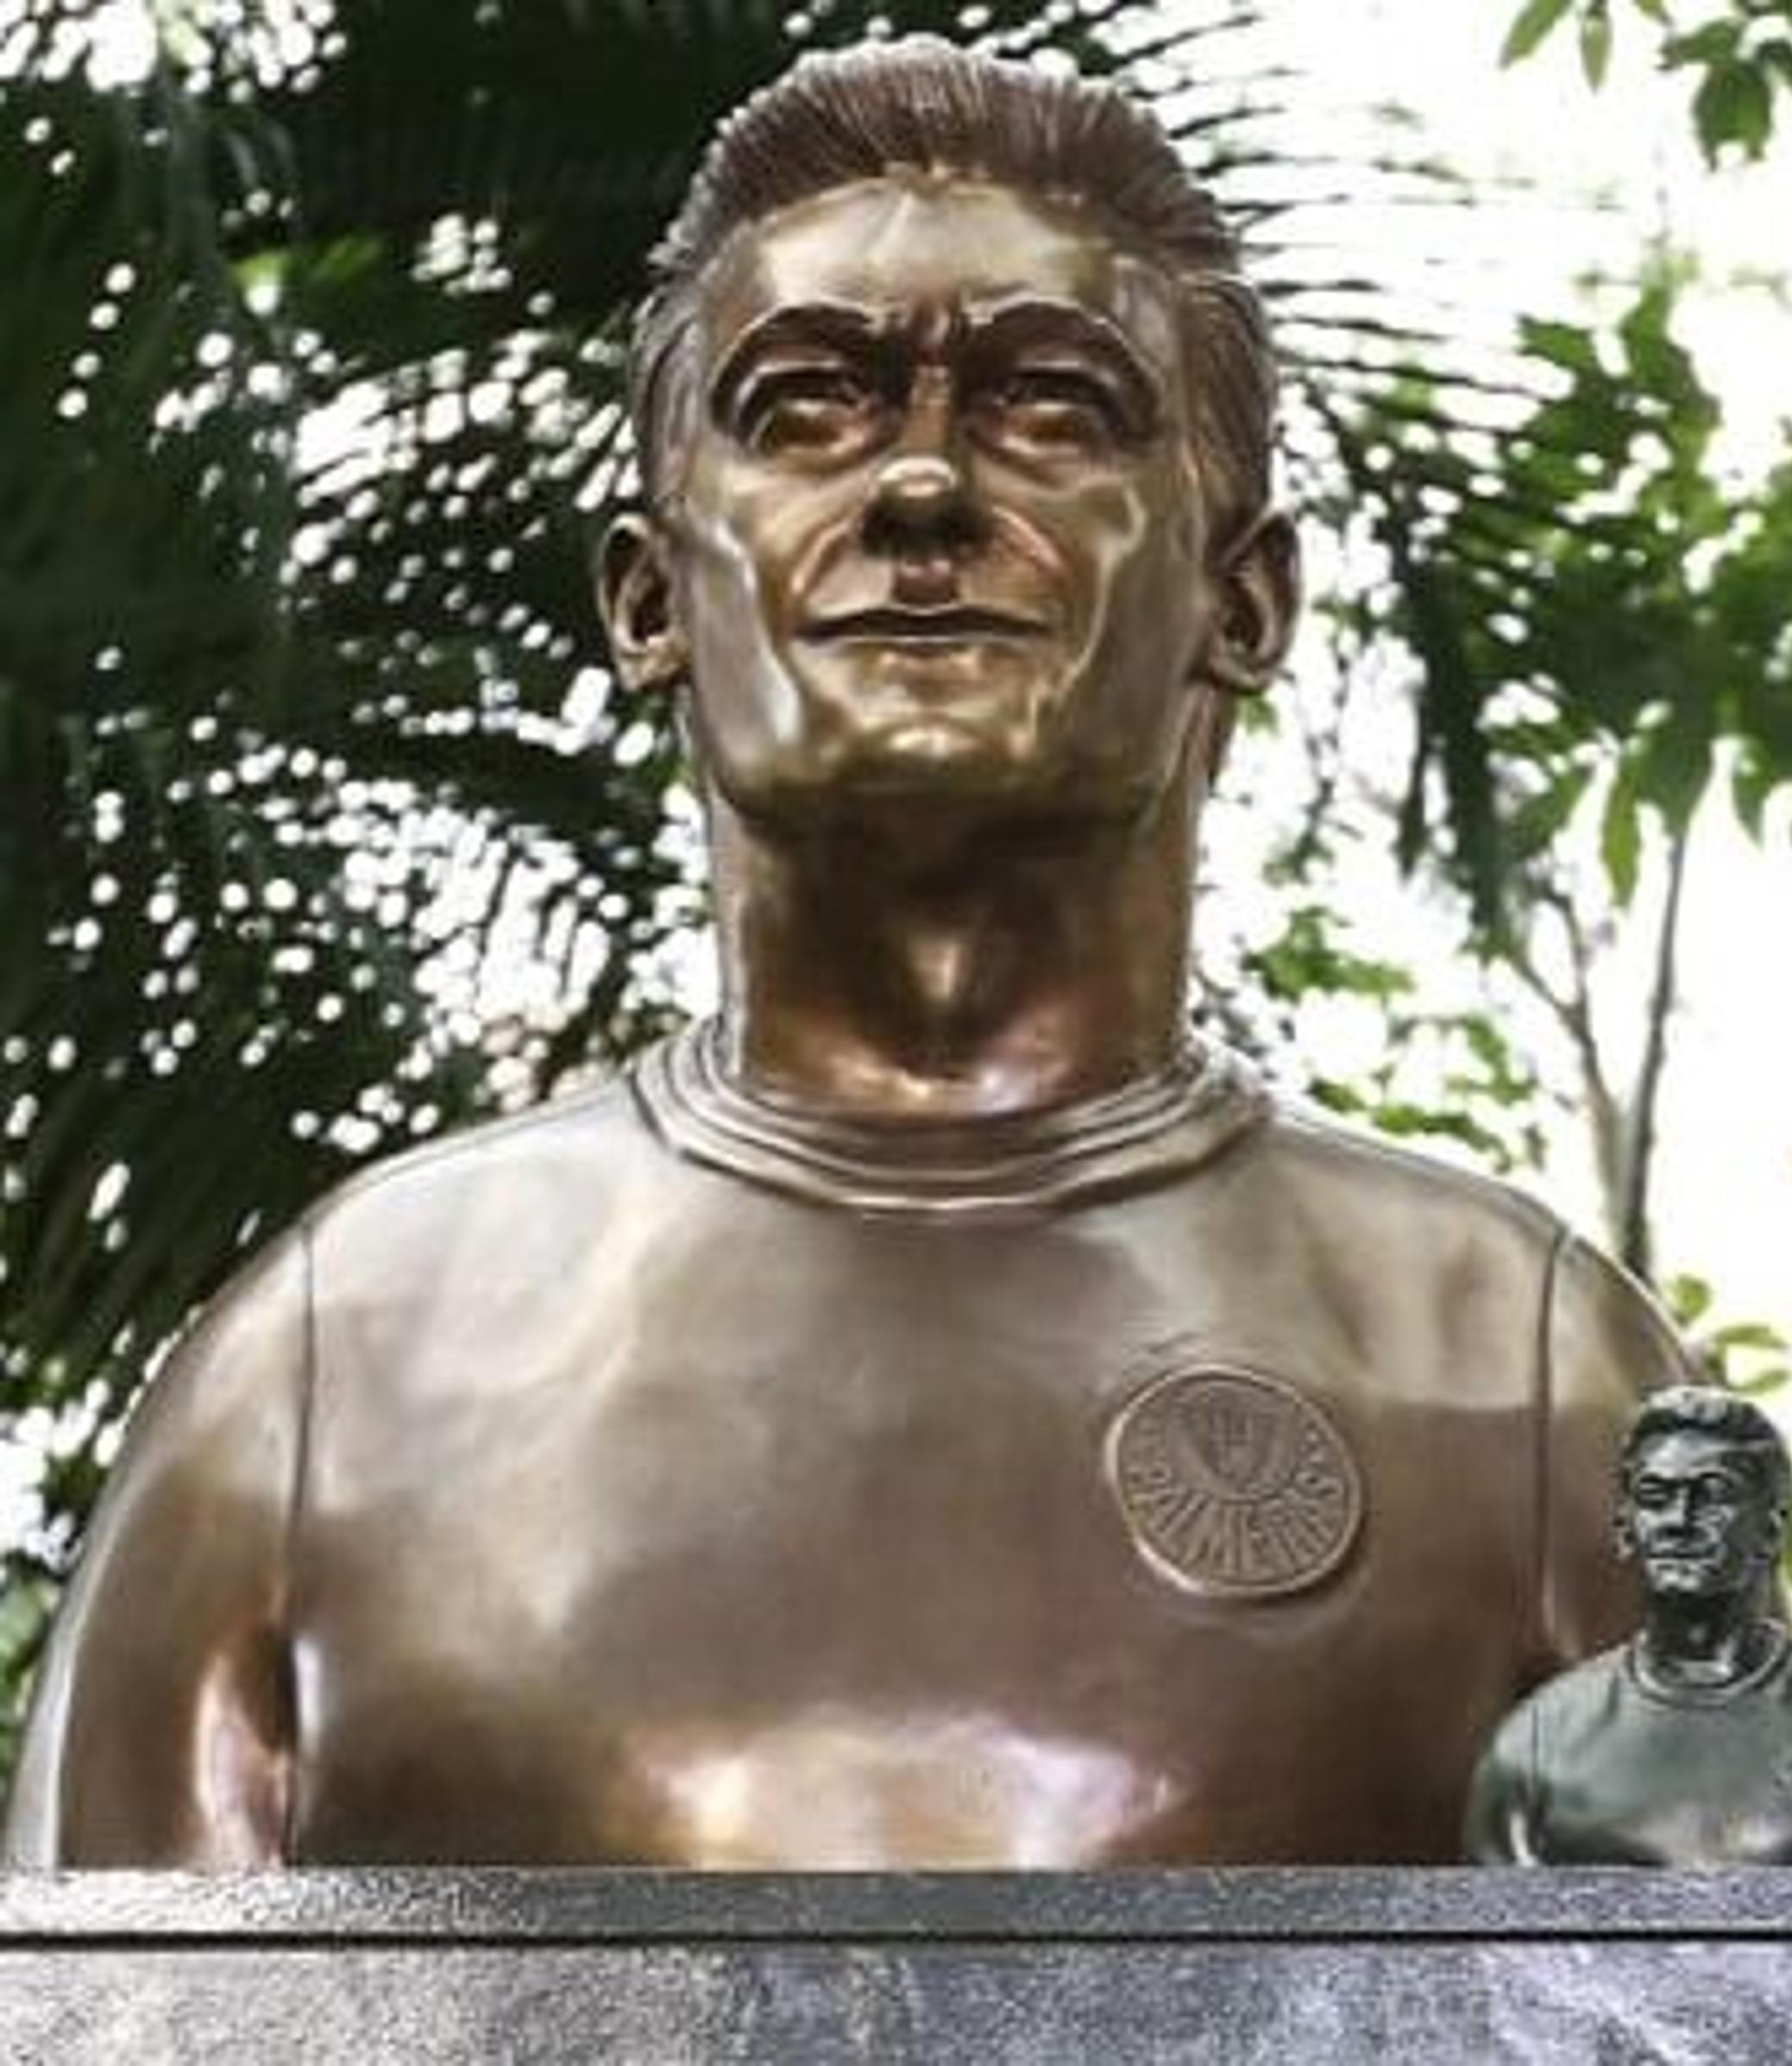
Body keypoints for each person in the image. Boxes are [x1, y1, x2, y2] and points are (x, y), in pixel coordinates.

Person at [5, 37, 1686, 1868]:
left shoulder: (1520, 1376)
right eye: (809, 405)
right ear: (650, 595)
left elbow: (1778, 2001)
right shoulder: (332, 1371)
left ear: (1243, 596)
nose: (919, 491)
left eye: (1052, 404)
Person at [1463, 1387, 1792, 1866]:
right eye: (1655, 1495)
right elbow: (1492, 1954)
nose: (1680, 1518)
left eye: (1712, 1494)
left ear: (1771, 1530)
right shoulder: (1534, 1746)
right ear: (1625, 1528)